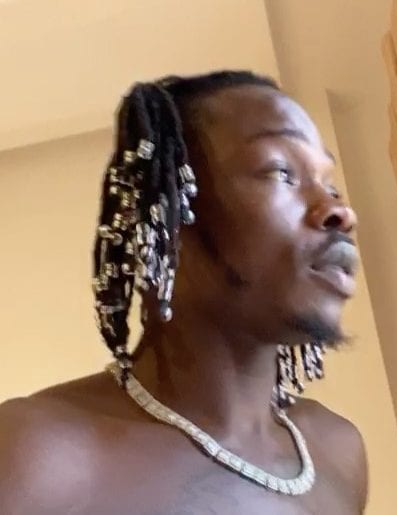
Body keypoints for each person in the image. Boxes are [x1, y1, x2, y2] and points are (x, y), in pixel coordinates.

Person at [0, 71, 367, 514]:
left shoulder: (336, 453)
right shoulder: (37, 456)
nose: (339, 212)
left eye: (330, 184)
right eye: (280, 172)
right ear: (167, 216)